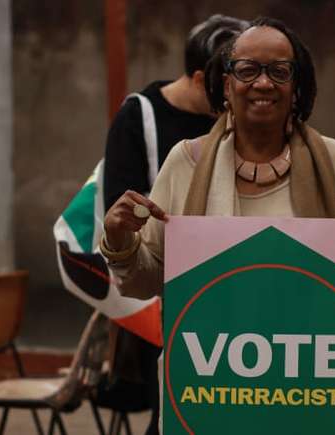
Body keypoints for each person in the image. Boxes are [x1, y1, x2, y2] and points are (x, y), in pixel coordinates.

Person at [100, 16, 335, 308]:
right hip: (208, 369)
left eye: (279, 71)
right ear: (227, 86)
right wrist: (118, 239)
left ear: (296, 86)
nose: (263, 82)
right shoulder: (186, 162)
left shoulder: (331, 161)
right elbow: (150, 278)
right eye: (247, 70)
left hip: (308, 366)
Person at [99, 14, 248, 435]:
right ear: (203, 79)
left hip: (234, 288)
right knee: (174, 409)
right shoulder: (140, 117)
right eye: (230, 82)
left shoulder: (237, 121)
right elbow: (122, 214)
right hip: (166, 291)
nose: (239, 95)